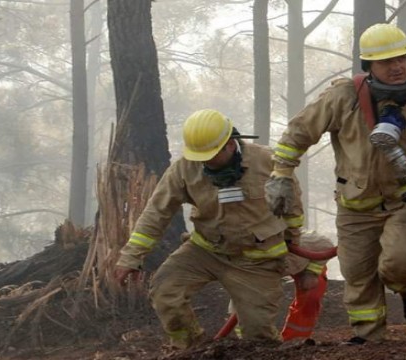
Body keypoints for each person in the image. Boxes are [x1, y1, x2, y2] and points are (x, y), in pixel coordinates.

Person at [264, 23, 406, 345]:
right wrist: (281, 175)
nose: (396, 66)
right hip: (355, 204)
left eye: (402, 58)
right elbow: (296, 136)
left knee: (398, 262)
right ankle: (367, 340)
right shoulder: (342, 97)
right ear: (369, 66)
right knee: (358, 274)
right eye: (385, 61)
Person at [114, 109, 304, 350]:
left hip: (256, 260)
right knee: (165, 291)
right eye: (199, 155)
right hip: (205, 250)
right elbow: (156, 213)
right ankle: (192, 349)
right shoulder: (184, 169)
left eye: (210, 155)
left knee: (259, 337)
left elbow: (292, 206)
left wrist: (292, 244)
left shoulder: (268, 161)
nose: (204, 161)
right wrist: (131, 256)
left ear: (229, 143)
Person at [222, 232, 334, 342]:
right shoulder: (243, 263)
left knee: (311, 297)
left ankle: (296, 339)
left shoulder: (302, 243)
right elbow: (239, 303)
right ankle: (250, 339)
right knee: (248, 307)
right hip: (259, 274)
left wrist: (312, 272)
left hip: (305, 264)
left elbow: (326, 245)